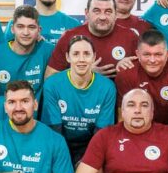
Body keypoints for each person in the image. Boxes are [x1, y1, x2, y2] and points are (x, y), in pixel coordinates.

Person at [41, 35, 117, 165]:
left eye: (86, 54)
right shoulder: (52, 84)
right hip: (59, 143)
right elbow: (54, 130)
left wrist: (86, 162)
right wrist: (64, 162)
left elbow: (101, 133)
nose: (81, 59)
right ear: (68, 57)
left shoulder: (107, 87)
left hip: (90, 145)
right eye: (76, 54)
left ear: (94, 57)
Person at [115, 30, 168, 137]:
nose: (152, 60)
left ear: (167, 54)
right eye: (147, 54)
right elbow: (123, 117)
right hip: (136, 134)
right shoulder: (126, 74)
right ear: (137, 54)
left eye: (158, 54)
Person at [46, 0, 138, 80]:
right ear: (87, 13)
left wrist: (130, 67)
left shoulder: (130, 37)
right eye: (97, 11)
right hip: (78, 91)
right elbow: (49, 78)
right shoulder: (69, 37)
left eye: (108, 11)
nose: (102, 17)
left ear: (116, 14)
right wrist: (83, 72)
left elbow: (143, 75)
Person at [0, 5, 55, 95]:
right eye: (20, 27)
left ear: (39, 30)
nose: (26, 33)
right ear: (12, 29)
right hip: (3, 104)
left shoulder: (49, 51)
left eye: (31, 27)